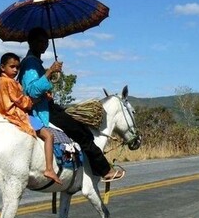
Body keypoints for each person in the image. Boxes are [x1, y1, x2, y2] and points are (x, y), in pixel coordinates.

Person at [18, 27, 125, 183]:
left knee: (81, 130)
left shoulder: (34, 62)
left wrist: (49, 80)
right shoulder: (30, 63)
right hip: (43, 111)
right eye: (39, 41)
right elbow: (32, 91)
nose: (44, 45)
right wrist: (49, 73)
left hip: (46, 105)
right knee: (82, 132)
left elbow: (36, 88)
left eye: (46, 41)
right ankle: (104, 170)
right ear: (30, 42)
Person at [0, 52, 61, 185]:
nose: (15, 70)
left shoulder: (1, 80)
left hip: (1, 114)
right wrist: (40, 98)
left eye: (17, 68)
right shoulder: (9, 82)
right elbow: (23, 102)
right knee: (49, 136)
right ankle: (49, 169)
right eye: (12, 67)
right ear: (2, 67)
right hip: (17, 115)